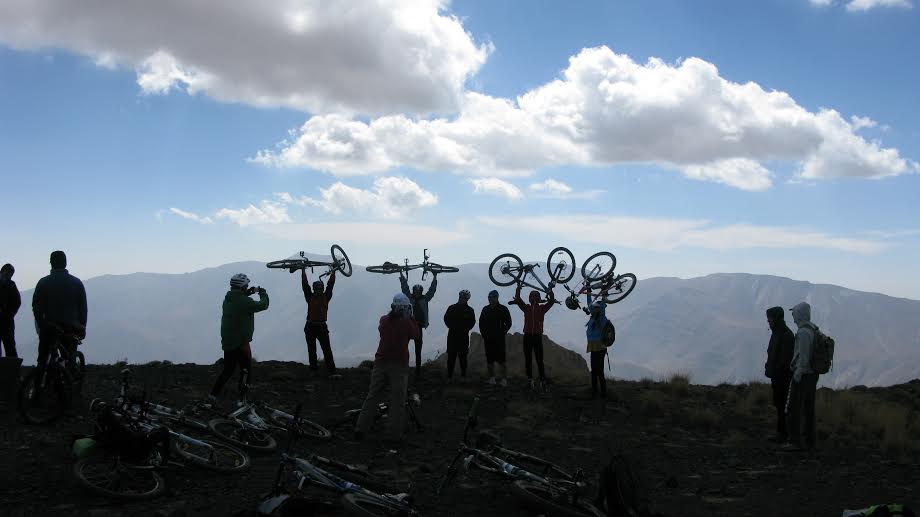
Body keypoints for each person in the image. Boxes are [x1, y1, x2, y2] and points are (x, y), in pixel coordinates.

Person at [354, 293, 419, 442]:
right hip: (399, 366)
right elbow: (415, 335)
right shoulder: (407, 323)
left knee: (372, 396)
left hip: (380, 364)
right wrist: (411, 317)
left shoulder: (383, 320)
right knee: (397, 401)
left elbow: (384, 327)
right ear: (405, 308)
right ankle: (393, 435)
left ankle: (360, 428)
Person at [209, 273, 269, 402]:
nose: (247, 287)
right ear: (242, 286)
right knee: (246, 371)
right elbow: (263, 305)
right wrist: (263, 293)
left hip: (228, 341)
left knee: (228, 370)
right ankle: (242, 400)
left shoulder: (228, 299)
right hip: (241, 342)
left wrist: (247, 293)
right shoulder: (245, 302)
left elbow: (239, 301)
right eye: (246, 286)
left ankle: (213, 395)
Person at [32, 251, 87, 384]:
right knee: (69, 359)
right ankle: (68, 388)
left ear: (51, 263)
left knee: (43, 360)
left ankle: (39, 389)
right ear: (65, 263)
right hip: (71, 328)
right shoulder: (77, 283)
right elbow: (83, 308)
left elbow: (36, 307)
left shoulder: (43, 282)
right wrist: (82, 327)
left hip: (48, 328)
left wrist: (41, 324)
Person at [785, 302, 819, 452]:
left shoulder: (803, 333)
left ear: (800, 314)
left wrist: (798, 373)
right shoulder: (813, 328)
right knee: (808, 408)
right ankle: (809, 440)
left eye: (794, 313)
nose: (793, 316)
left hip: (803, 375)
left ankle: (794, 441)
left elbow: (803, 357)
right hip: (812, 374)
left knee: (794, 407)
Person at [511, 283, 555, 389]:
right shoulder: (527, 308)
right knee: (529, 360)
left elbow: (551, 301)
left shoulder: (541, 308)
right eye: (532, 296)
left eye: (535, 297)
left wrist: (550, 290)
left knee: (538, 360)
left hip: (535, 337)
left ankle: (541, 380)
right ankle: (531, 379)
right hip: (528, 336)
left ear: (538, 299)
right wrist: (518, 288)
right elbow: (518, 299)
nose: (533, 298)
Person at [764, 306, 795, 443]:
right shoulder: (778, 333)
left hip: (782, 378)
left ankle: (784, 434)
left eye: (770, 319)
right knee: (779, 404)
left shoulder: (785, 335)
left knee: (782, 405)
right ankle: (781, 432)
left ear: (776, 319)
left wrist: (775, 371)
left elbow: (785, 360)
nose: (768, 322)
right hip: (777, 376)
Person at [399, 271, 438, 378]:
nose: (417, 294)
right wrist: (401, 275)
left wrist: (435, 277)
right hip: (408, 326)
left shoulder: (425, 299)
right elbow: (405, 288)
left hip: (418, 327)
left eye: (418, 292)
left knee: (418, 350)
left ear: (421, 292)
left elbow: (432, 290)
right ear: (413, 292)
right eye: (416, 292)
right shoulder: (409, 298)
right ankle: (403, 368)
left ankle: (418, 371)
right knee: (403, 348)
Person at [301, 268, 337, 374]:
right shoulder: (310, 296)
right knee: (312, 350)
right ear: (314, 289)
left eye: (321, 288)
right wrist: (303, 271)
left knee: (327, 349)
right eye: (317, 288)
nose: (319, 290)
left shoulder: (326, 296)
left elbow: (330, 285)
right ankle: (314, 370)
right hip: (310, 326)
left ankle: (332, 371)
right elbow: (305, 285)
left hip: (321, 326)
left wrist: (333, 272)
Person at [479, 289, 512, 386]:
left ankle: (504, 379)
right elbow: (481, 322)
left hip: (499, 339)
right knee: (489, 360)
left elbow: (508, 322)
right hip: (488, 338)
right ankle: (492, 379)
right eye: (489, 297)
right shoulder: (485, 309)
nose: (491, 299)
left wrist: (503, 332)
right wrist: (483, 334)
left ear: (497, 298)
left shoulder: (503, 309)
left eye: (493, 297)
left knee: (502, 360)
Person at [443, 289, 476, 380]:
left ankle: (463, 375)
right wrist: (451, 327)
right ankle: (449, 376)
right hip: (452, 335)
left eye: (464, 298)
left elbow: (472, 322)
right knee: (451, 356)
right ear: (459, 297)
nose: (462, 299)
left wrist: (465, 329)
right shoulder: (451, 308)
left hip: (463, 336)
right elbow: (446, 318)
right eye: (461, 297)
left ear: (467, 299)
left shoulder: (470, 310)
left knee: (463, 357)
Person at [585, 300, 609, 398]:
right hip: (593, 347)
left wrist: (603, 296)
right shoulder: (593, 317)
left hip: (600, 348)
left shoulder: (602, 318)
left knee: (599, 370)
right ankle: (594, 392)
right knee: (594, 371)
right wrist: (588, 292)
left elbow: (602, 306)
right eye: (594, 308)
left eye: (596, 308)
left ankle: (603, 393)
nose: (593, 309)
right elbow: (589, 304)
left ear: (599, 309)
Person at [0, 263, 21, 358]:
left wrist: (9, 314)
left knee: (10, 346)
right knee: (10, 346)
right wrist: (10, 314)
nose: (8, 276)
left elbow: (17, 302)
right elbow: (17, 302)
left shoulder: (11, 284)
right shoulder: (11, 284)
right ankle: (13, 365)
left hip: (7, 320)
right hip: (7, 321)